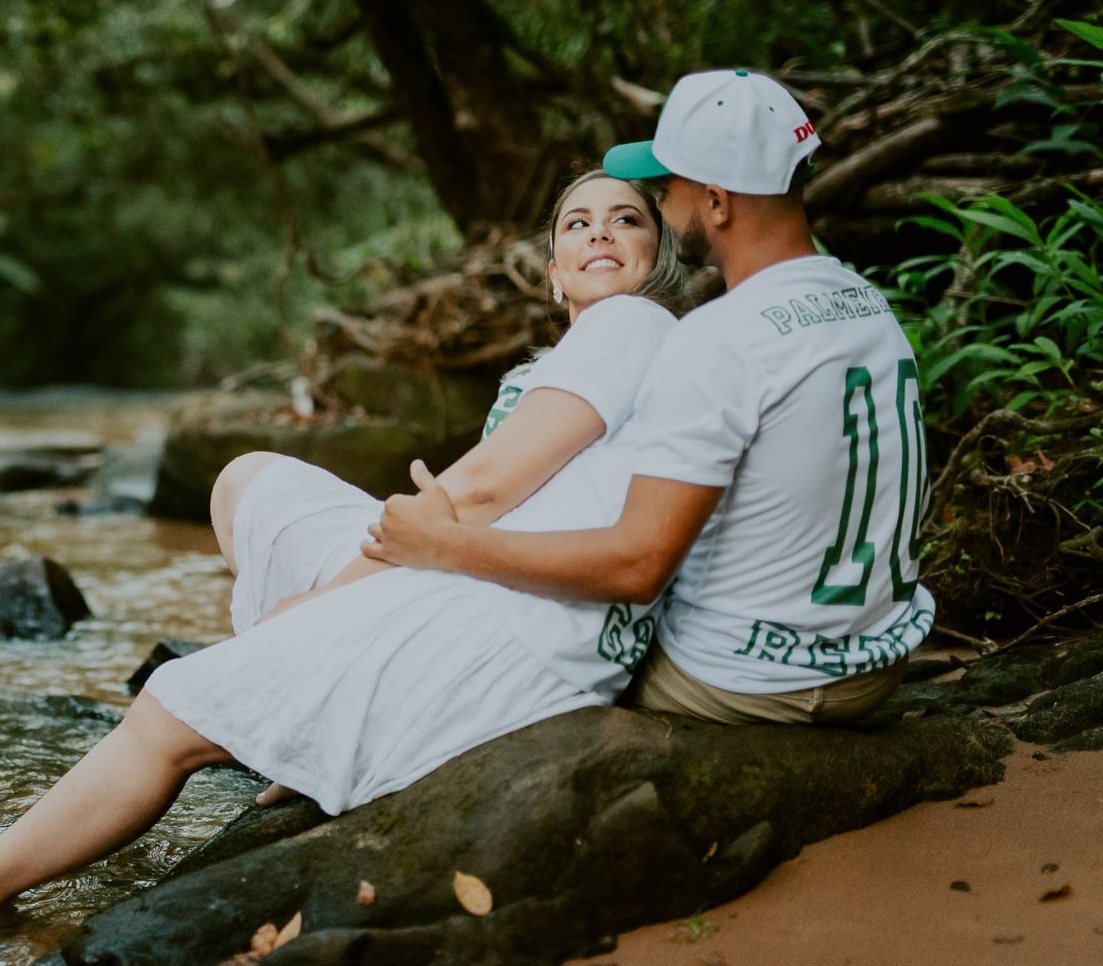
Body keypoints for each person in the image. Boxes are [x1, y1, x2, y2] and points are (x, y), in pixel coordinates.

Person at [0, 170, 685, 909]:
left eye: (627, 219)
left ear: (661, 259)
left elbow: (483, 489)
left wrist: (321, 600)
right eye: (579, 222)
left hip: (497, 617)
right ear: (551, 275)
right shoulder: (558, 365)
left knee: (169, 704)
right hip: (472, 576)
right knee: (249, 482)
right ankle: (293, 724)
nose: (601, 231)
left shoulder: (632, 327)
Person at [365, 69, 936, 726]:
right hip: (876, 662)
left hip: (748, 681)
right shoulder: (866, 306)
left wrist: (442, 543)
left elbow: (636, 566)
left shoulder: (718, 338)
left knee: (502, 634)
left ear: (717, 203)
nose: (663, 205)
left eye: (668, 189)